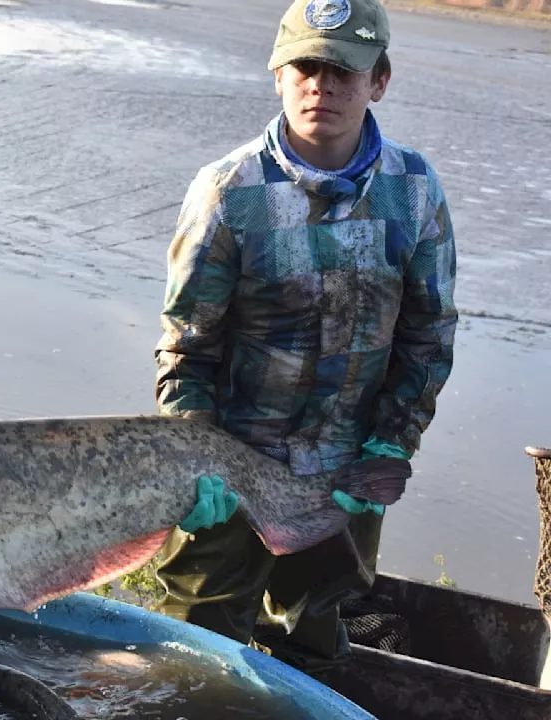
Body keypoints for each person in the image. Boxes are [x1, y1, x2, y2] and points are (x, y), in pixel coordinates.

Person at [150, 0, 458, 678]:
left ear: (379, 80)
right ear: (279, 76)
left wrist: (389, 444)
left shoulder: (414, 189)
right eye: (306, 67)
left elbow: (428, 334)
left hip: (347, 480)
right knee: (193, 657)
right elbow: (187, 349)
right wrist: (197, 458)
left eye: (344, 71)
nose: (322, 85)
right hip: (232, 475)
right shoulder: (228, 192)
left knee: (313, 648)